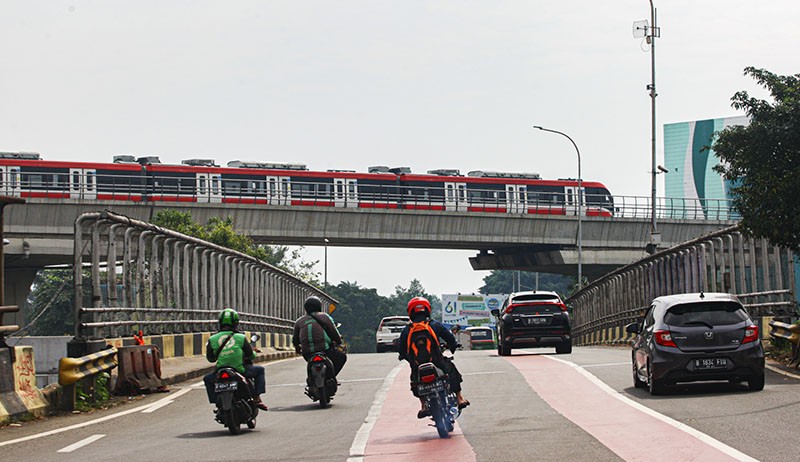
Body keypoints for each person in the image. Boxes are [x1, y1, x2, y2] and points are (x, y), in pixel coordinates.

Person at [398, 296, 469, 418]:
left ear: (411, 312)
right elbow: (449, 338)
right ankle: (459, 398)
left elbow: (401, 349)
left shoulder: (407, 330)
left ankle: (423, 406)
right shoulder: (434, 324)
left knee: (415, 381)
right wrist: (453, 345)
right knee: (451, 370)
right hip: (437, 361)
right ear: (427, 309)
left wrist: (404, 356)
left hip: (417, 365)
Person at [203, 308, 269, 411]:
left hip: (220, 371)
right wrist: (254, 352)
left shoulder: (212, 339)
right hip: (239, 370)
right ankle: (256, 398)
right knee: (260, 370)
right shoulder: (241, 337)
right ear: (236, 323)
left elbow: (211, 359)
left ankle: (216, 402)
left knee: (207, 379)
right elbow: (251, 356)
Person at [292, 295, 347, 377]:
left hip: (307, 352)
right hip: (324, 350)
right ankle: (331, 377)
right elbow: (333, 332)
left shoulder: (299, 321)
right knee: (342, 357)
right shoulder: (324, 317)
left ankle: (311, 379)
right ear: (319, 306)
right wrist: (339, 341)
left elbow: (295, 340)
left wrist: (298, 348)